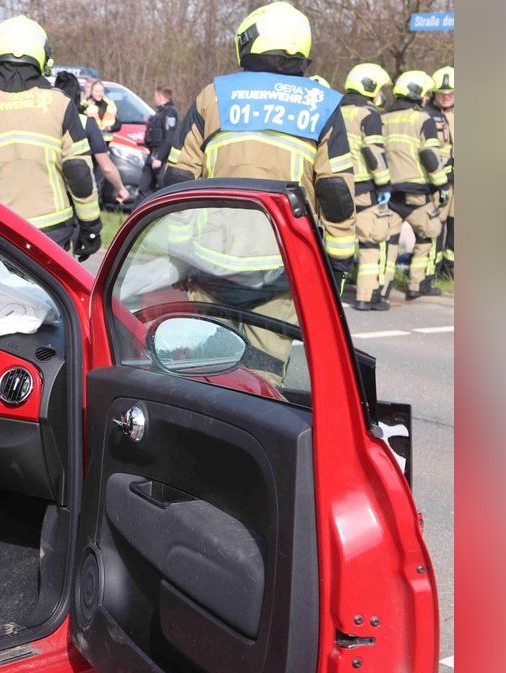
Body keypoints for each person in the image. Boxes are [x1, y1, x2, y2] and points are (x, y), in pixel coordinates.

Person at [162, 1, 355, 385]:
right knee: (262, 385)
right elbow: (336, 195)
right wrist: (336, 268)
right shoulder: (322, 105)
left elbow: (177, 180)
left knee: (204, 378)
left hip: (209, 269)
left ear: (247, 42)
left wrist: (179, 257)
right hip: (282, 270)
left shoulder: (212, 96)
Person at [0, 16, 103, 260]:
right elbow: (78, 170)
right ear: (41, 56)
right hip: (51, 235)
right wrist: (90, 228)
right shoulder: (59, 103)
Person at [382, 70, 449, 300]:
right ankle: (417, 284)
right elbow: (429, 156)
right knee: (428, 234)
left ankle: (382, 287)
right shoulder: (423, 119)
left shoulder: (383, 119)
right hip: (417, 193)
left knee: (389, 241)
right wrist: (442, 185)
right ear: (418, 94)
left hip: (390, 193)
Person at [339, 63, 398, 310]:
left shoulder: (336, 110)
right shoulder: (368, 114)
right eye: (379, 89)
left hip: (335, 186)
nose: (381, 94)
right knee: (371, 242)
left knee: (338, 243)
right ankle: (366, 296)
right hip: (363, 188)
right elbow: (373, 152)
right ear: (370, 85)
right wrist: (384, 183)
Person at [55, 71, 130, 206]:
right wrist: (121, 188)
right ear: (79, 94)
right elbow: (107, 167)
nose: (99, 93)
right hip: (79, 182)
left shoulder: (46, 120)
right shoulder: (85, 119)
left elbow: (117, 122)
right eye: (96, 90)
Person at [427, 66, 455, 278]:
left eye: (451, 93)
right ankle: (432, 268)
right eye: (441, 93)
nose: (446, 97)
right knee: (436, 224)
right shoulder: (427, 116)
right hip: (439, 181)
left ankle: (450, 267)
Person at [138, 85, 179, 202]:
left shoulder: (170, 112)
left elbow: (169, 138)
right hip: (153, 154)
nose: (154, 98)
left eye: (155, 96)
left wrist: (160, 158)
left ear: (161, 97)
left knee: (162, 187)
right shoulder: (160, 112)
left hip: (161, 157)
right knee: (144, 186)